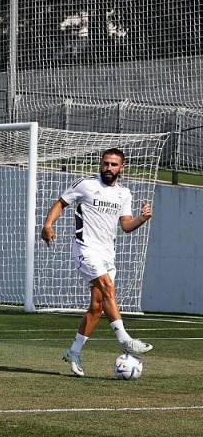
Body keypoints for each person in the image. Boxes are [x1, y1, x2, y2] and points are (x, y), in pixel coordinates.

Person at [43, 149, 153, 377]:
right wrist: (48, 225)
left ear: (121, 168)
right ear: (100, 164)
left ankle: (73, 352)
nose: (109, 168)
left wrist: (141, 219)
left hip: (107, 255)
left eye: (114, 165)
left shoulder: (124, 194)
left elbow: (126, 226)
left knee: (97, 307)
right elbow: (60, 203)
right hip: (85, 249)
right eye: (106, 163)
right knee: (107, 287)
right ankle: (125, 341)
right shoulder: (85, 184)